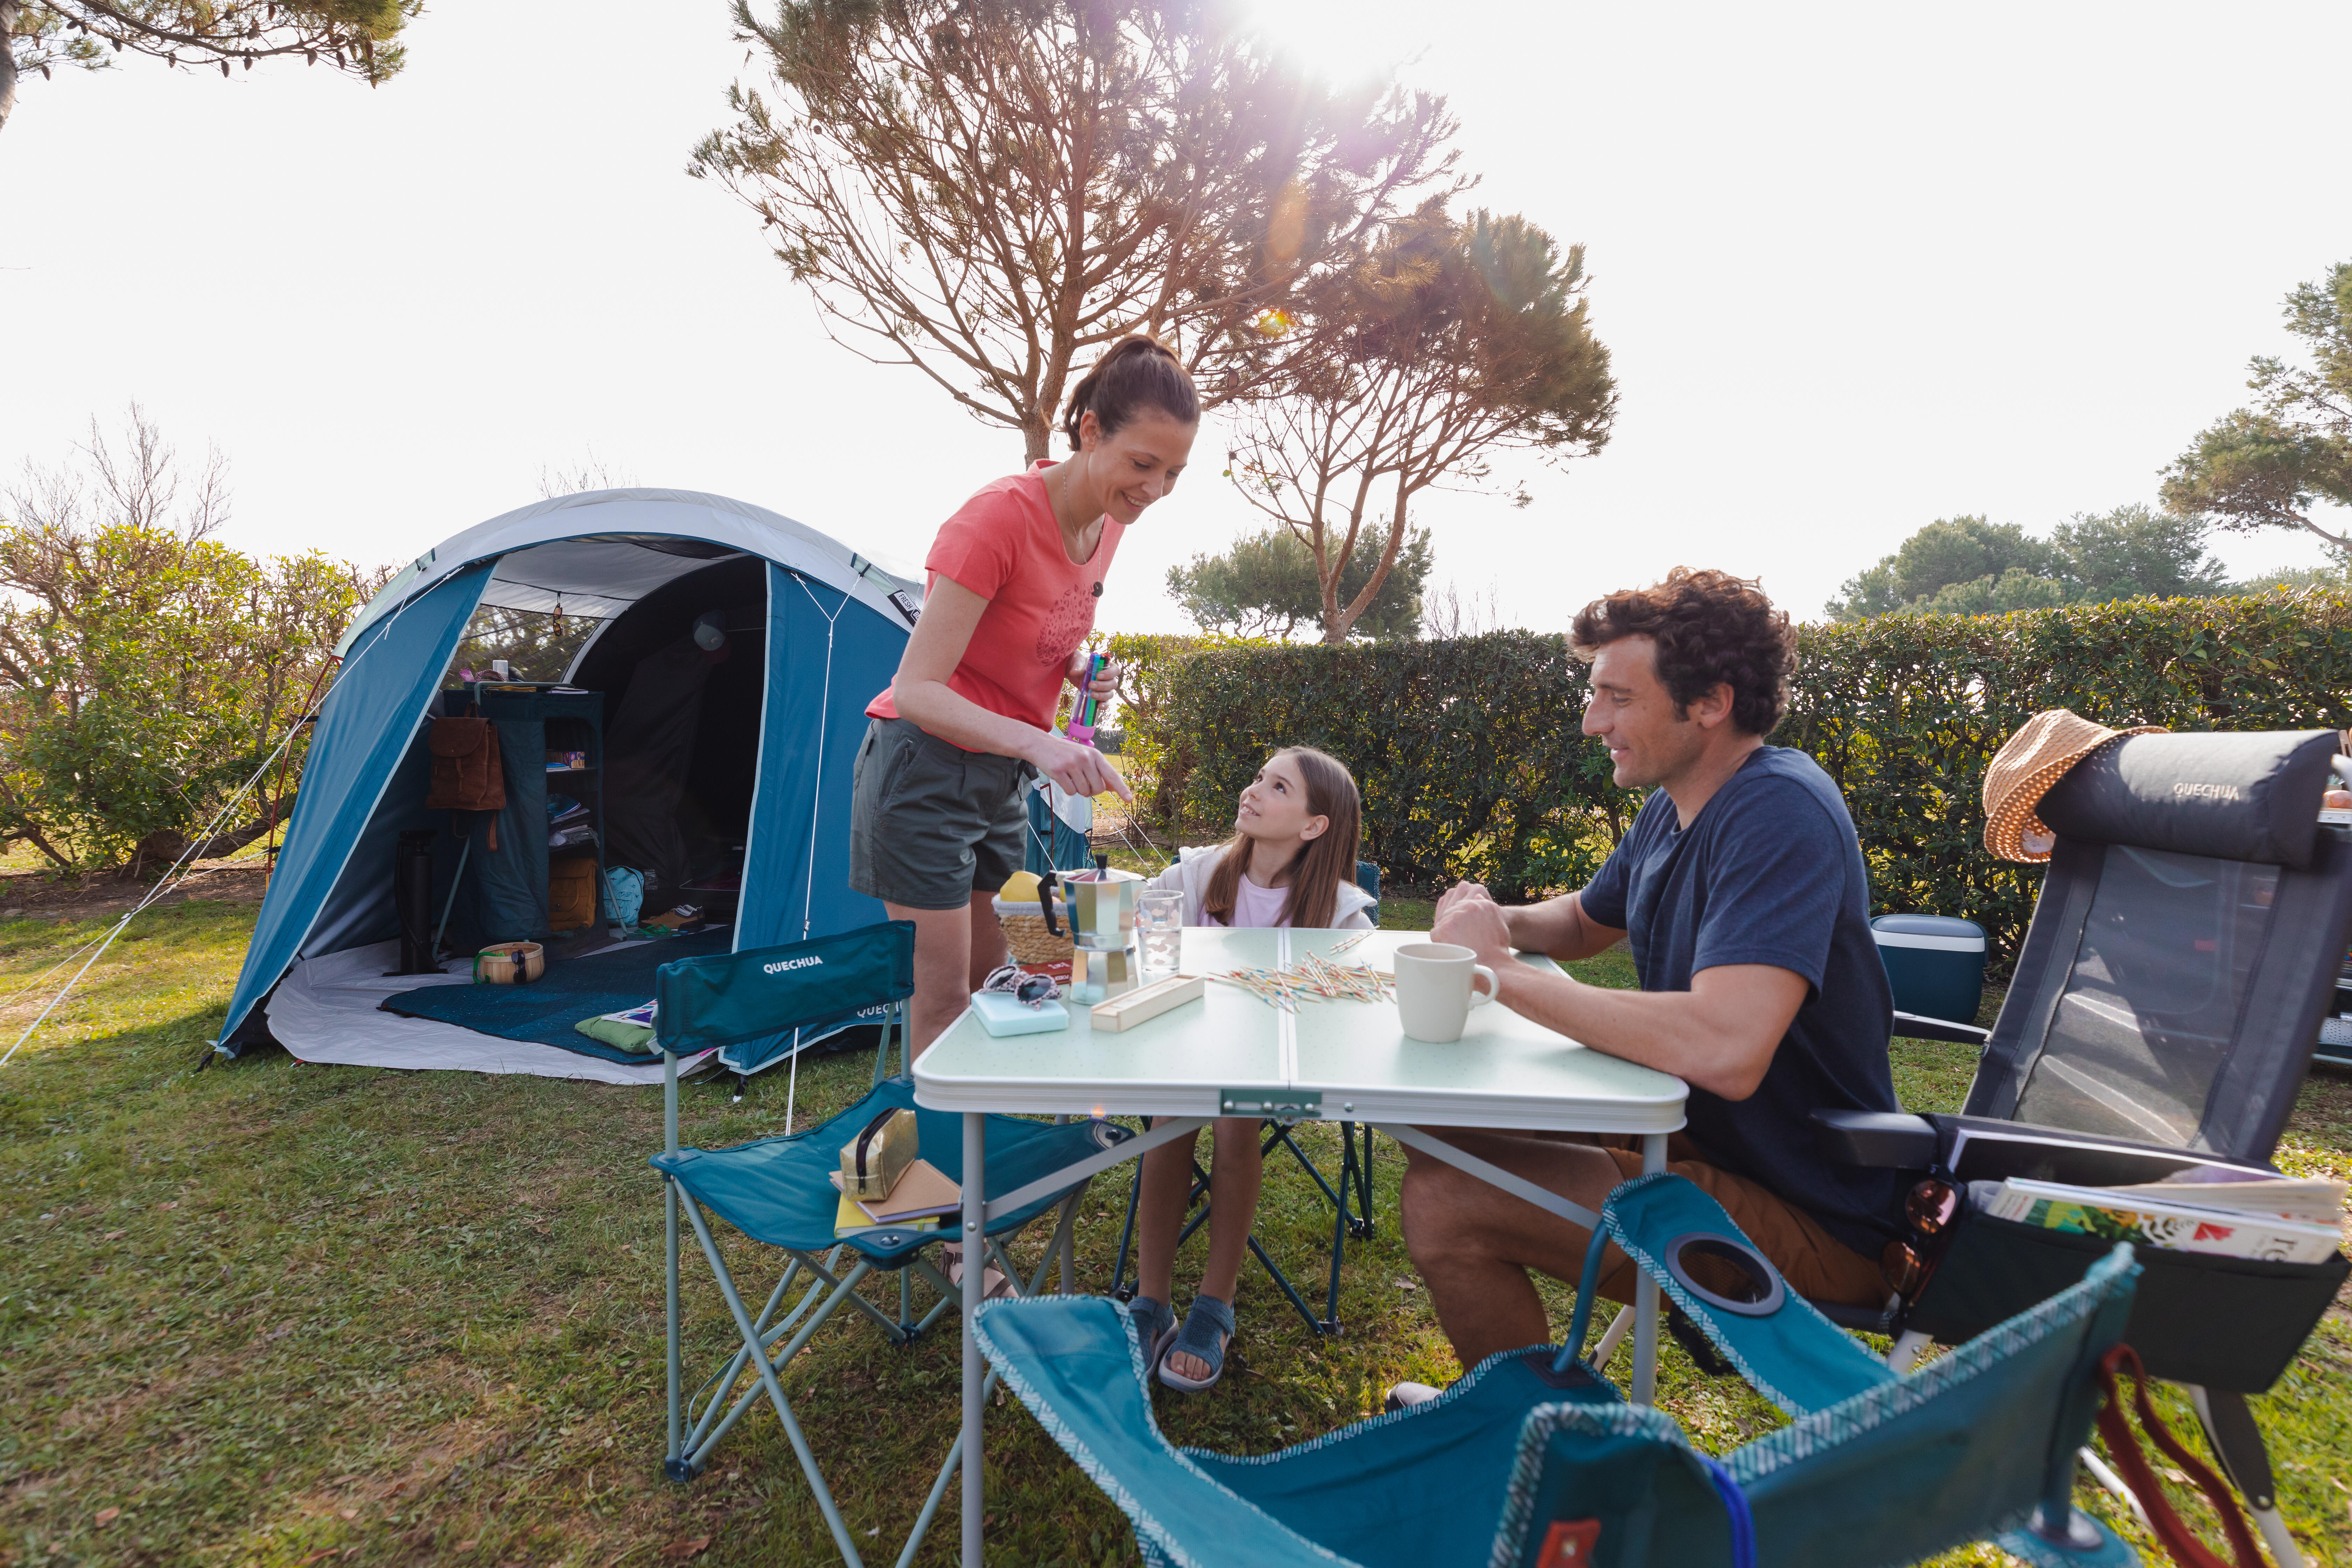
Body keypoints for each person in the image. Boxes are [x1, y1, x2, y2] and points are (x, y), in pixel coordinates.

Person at [1391, 567, 1903, 1401]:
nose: (1594, 722)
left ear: (1710, 702)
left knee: (1450, 1197)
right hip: (1701, 1144)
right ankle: (1524, 1409)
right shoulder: (1679, 804)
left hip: (1815, 1214)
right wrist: (1498, 918)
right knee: (1433, 1119)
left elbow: (1727, 1045)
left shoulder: (1779, 813)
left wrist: (1501, 974)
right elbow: (1588, 922)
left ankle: (1546, 1449)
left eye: (1617, 698)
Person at [849, 335, 1199, 1054]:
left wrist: (1073, 667)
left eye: (1173, 473)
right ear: (1091, 430)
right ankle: (947, 1167)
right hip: (926, 771)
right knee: (945, 1004)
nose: (1156, 490)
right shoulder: (995, 521)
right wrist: (1038, 740)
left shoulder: (1107, 522)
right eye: (1143, 464)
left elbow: (1024, 629)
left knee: (998, 985)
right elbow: (915, 688)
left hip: (999, 776)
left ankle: (984, 1155)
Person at [1127, 747, 1375, 1391]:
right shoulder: (1194, 874)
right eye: (1257, 775)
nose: (1254, 789)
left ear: (1314, 824)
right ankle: (1150, 1300)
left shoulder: (1341, 909)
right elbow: (1138, 936)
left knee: (1236, 1123)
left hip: (1272, 1068)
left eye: (1277, 786)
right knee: (1170, 1117)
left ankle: (1216, 1303)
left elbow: (1348, 1006)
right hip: (1182, 1049)